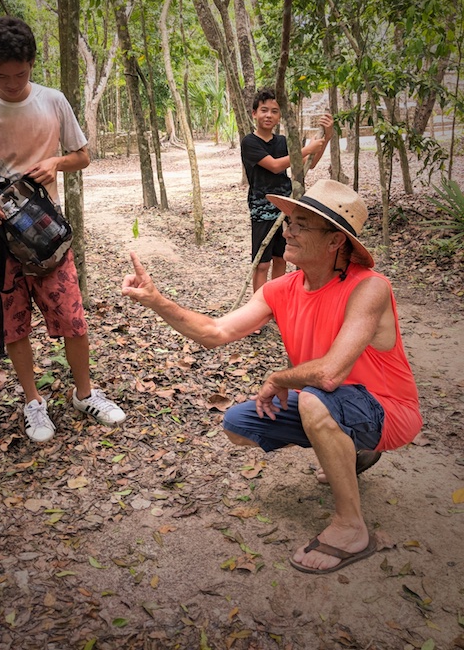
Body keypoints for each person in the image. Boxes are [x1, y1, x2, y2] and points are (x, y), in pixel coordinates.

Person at [122, 179, 422, 574]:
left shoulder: (370, 288)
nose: (287, 230)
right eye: (289, 221)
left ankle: (351, 527)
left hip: (389, 409)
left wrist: (280, 378)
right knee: (239, 424)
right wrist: (157, 301)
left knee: (316, 399)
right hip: (333, 403)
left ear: (335, 242)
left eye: (301, 224)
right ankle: (355, 449)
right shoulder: (281, 288)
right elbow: (215, 333)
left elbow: (330, 373)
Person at [0, 16, 126, 444]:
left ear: (32, 63)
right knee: (13, 323)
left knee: (72, 317)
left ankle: (85, 393)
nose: (11, 83)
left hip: (46, 236)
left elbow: (82, 155)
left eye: (20, 74)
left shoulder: (52, 100)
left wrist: (56, 162)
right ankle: (33, 403)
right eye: (1, 75)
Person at [241, 88, 333, 292]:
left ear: (279, 115)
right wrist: (306, 149)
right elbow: (274, 165)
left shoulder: (282, 141)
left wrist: (326, 137)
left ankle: (276, 303)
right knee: (262, 263)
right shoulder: (249, 142)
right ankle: (260, 308)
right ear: (254, 113)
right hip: (262, 208)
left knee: (281, 258)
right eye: (264, 110)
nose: (269, 115)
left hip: (286, 205)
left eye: (274, 111)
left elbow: (310, 163)